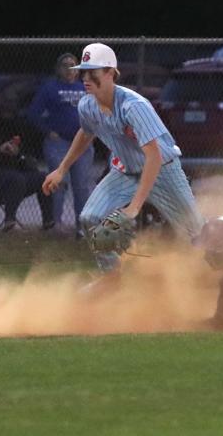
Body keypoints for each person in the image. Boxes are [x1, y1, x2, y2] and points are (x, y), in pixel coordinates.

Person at [42, 43, 205, 275]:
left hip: (163, 172)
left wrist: (133, 208)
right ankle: (113, 278)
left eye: (92, 73)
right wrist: (61, 169)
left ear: (110, 73)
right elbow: (86, 133)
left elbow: (154, 158)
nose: (85, 78)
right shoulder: (87, 104)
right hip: (125, 172)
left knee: (197, 234)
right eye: (83, 72)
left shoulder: (133, 106)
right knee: (90, 218)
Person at [27, 53, 94, 237]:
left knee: (81, 186)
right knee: (59, 183)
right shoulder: (50, 89)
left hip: (82, 143)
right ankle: (55, 225)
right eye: (64, 65)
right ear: (58, 69)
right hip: (58, 143)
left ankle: (82, 227)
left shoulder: (86, 88)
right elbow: (33, 113)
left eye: (72, 65)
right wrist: (48, 131)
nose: (69, 69)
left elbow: (99, 111)